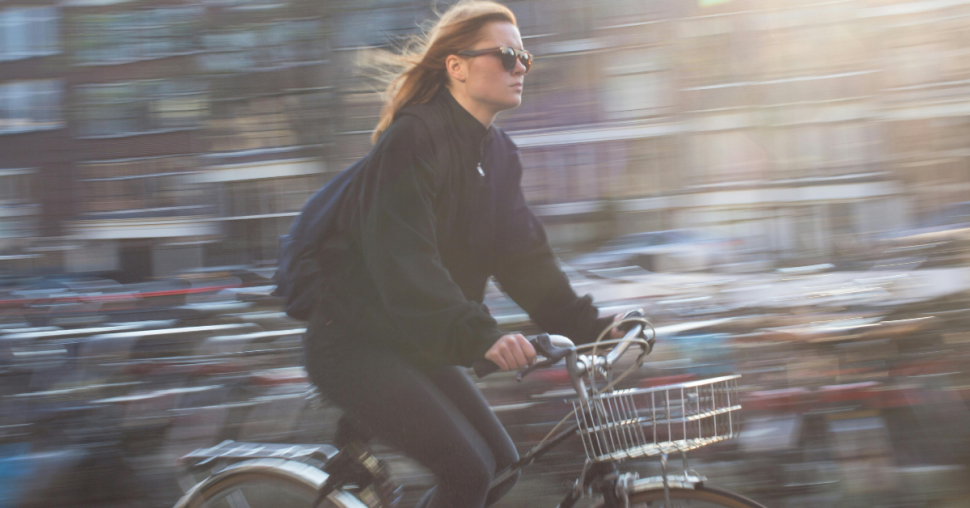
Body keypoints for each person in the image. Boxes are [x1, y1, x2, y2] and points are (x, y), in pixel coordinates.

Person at [298, 2, 624, 507]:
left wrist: (592, 329)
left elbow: (525, 261)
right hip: (353, 344)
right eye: (506, 55)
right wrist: (480, 337)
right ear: (457, 66)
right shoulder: (413, 138)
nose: (520, 67)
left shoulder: (498, 155)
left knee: (503, 466)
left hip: (416, 342)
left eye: (525, 58)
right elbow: (405, 262)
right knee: (468, 471)